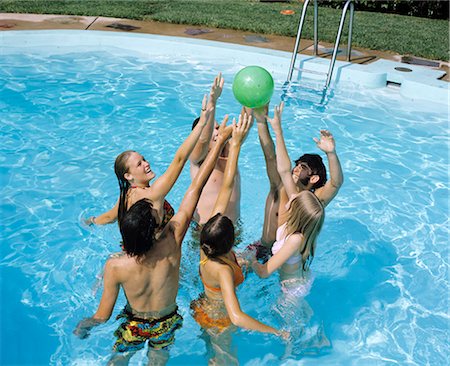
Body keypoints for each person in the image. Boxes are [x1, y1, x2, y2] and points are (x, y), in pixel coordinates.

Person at [74, 117, 234, 365]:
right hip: (166, 323)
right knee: (158, 359)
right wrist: (221, 141)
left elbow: (103, 316)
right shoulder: (173, 241)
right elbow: (196, 187)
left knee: (119, 357)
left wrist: (86, 325)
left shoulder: (115, 266)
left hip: (134, 323)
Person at [190, 113, 288, 364]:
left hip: (203, 306)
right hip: (218, 317)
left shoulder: (207, 251)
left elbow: (225, 189)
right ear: (231, 241)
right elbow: (235, 316)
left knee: (213, 356)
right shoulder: (222, 270)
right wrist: (275, 331)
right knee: (225, 360)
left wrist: (234, 146)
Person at [85, 95, 214, 234]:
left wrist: (90, 221)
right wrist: (201, 124)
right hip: (159, 253)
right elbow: (180, 160)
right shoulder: (153, 193)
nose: (146, 164)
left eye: (144, 159)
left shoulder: (127, 195)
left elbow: (110, 217)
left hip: (132, 249)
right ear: (128, 175)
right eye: (139, 164)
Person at [251, 101, 343, 254]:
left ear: (313, 179)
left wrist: (331, 153)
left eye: (304, 167)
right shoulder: (278, 185)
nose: (297, 168)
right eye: (298, 164)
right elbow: (270, 156)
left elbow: (335, 184)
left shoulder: (311, 201)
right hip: (261, 247)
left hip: (285, 257)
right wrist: (261, 122)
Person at [189, 73, 242, 225]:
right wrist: (213, 102)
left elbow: (245, 122)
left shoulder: (231, 149)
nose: (218, 131)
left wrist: (251, 101)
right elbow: (204, 139)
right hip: (204, 230)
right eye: (213, 128)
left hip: (233, 230)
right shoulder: (197, 159)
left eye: (218, 127)